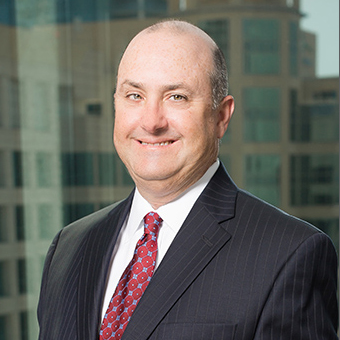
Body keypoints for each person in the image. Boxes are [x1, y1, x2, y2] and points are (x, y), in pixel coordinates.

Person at [37, 20, 338, 340]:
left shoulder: (288, 253)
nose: (151, 122)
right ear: (116, 104)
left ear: (221, 116)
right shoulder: (68, 248)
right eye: (134, 95)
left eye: (176, 97)